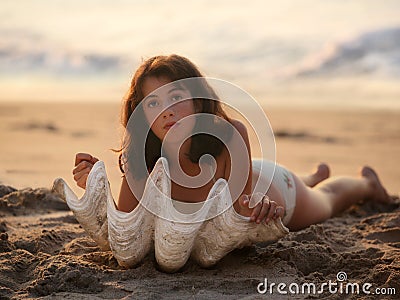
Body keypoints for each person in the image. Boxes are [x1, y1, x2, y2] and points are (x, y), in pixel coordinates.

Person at [72, 54, 391, 231]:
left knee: (328, 200)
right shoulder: (141, 158)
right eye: (153, 103)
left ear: (199, 101)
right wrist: (94, 187)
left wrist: (260, 208)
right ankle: (313, 174)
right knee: (300, 180)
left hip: (276, 190)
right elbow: (125, 222)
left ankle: (365, 184)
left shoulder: (229, 134)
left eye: (176, 97)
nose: (166, 111)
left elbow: (241, 208)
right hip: (253, 173)